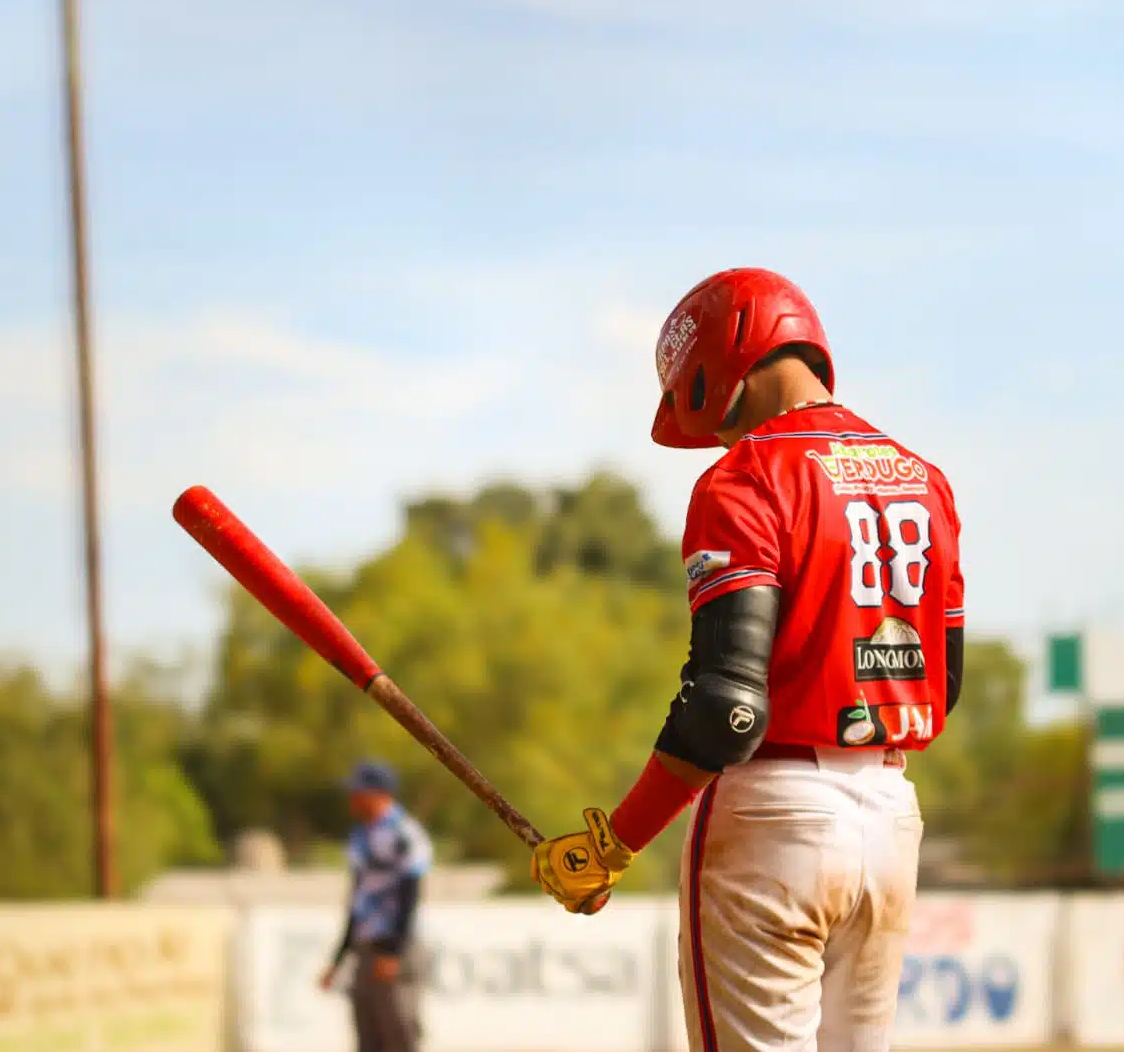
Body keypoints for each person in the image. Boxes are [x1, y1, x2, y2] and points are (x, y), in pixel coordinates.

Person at [529, 267, 965, 1051]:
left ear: (723, 370)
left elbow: (727, 709)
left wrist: (613, 844)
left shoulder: (746, 477)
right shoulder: (924, 480)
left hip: (774, 818)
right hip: (892, 818)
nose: (722, 437)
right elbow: (947, 680)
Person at [319, 759, 431, 1052]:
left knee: (399, 1034)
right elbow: (358, 901)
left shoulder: (402, 832)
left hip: (392, 948)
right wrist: (338, 958)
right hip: (365, 948)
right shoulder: (360, 835)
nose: (351, 799)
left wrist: (394, 951)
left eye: (358, 792)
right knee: (368, 1039)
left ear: (379, 793)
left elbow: (411, 892)